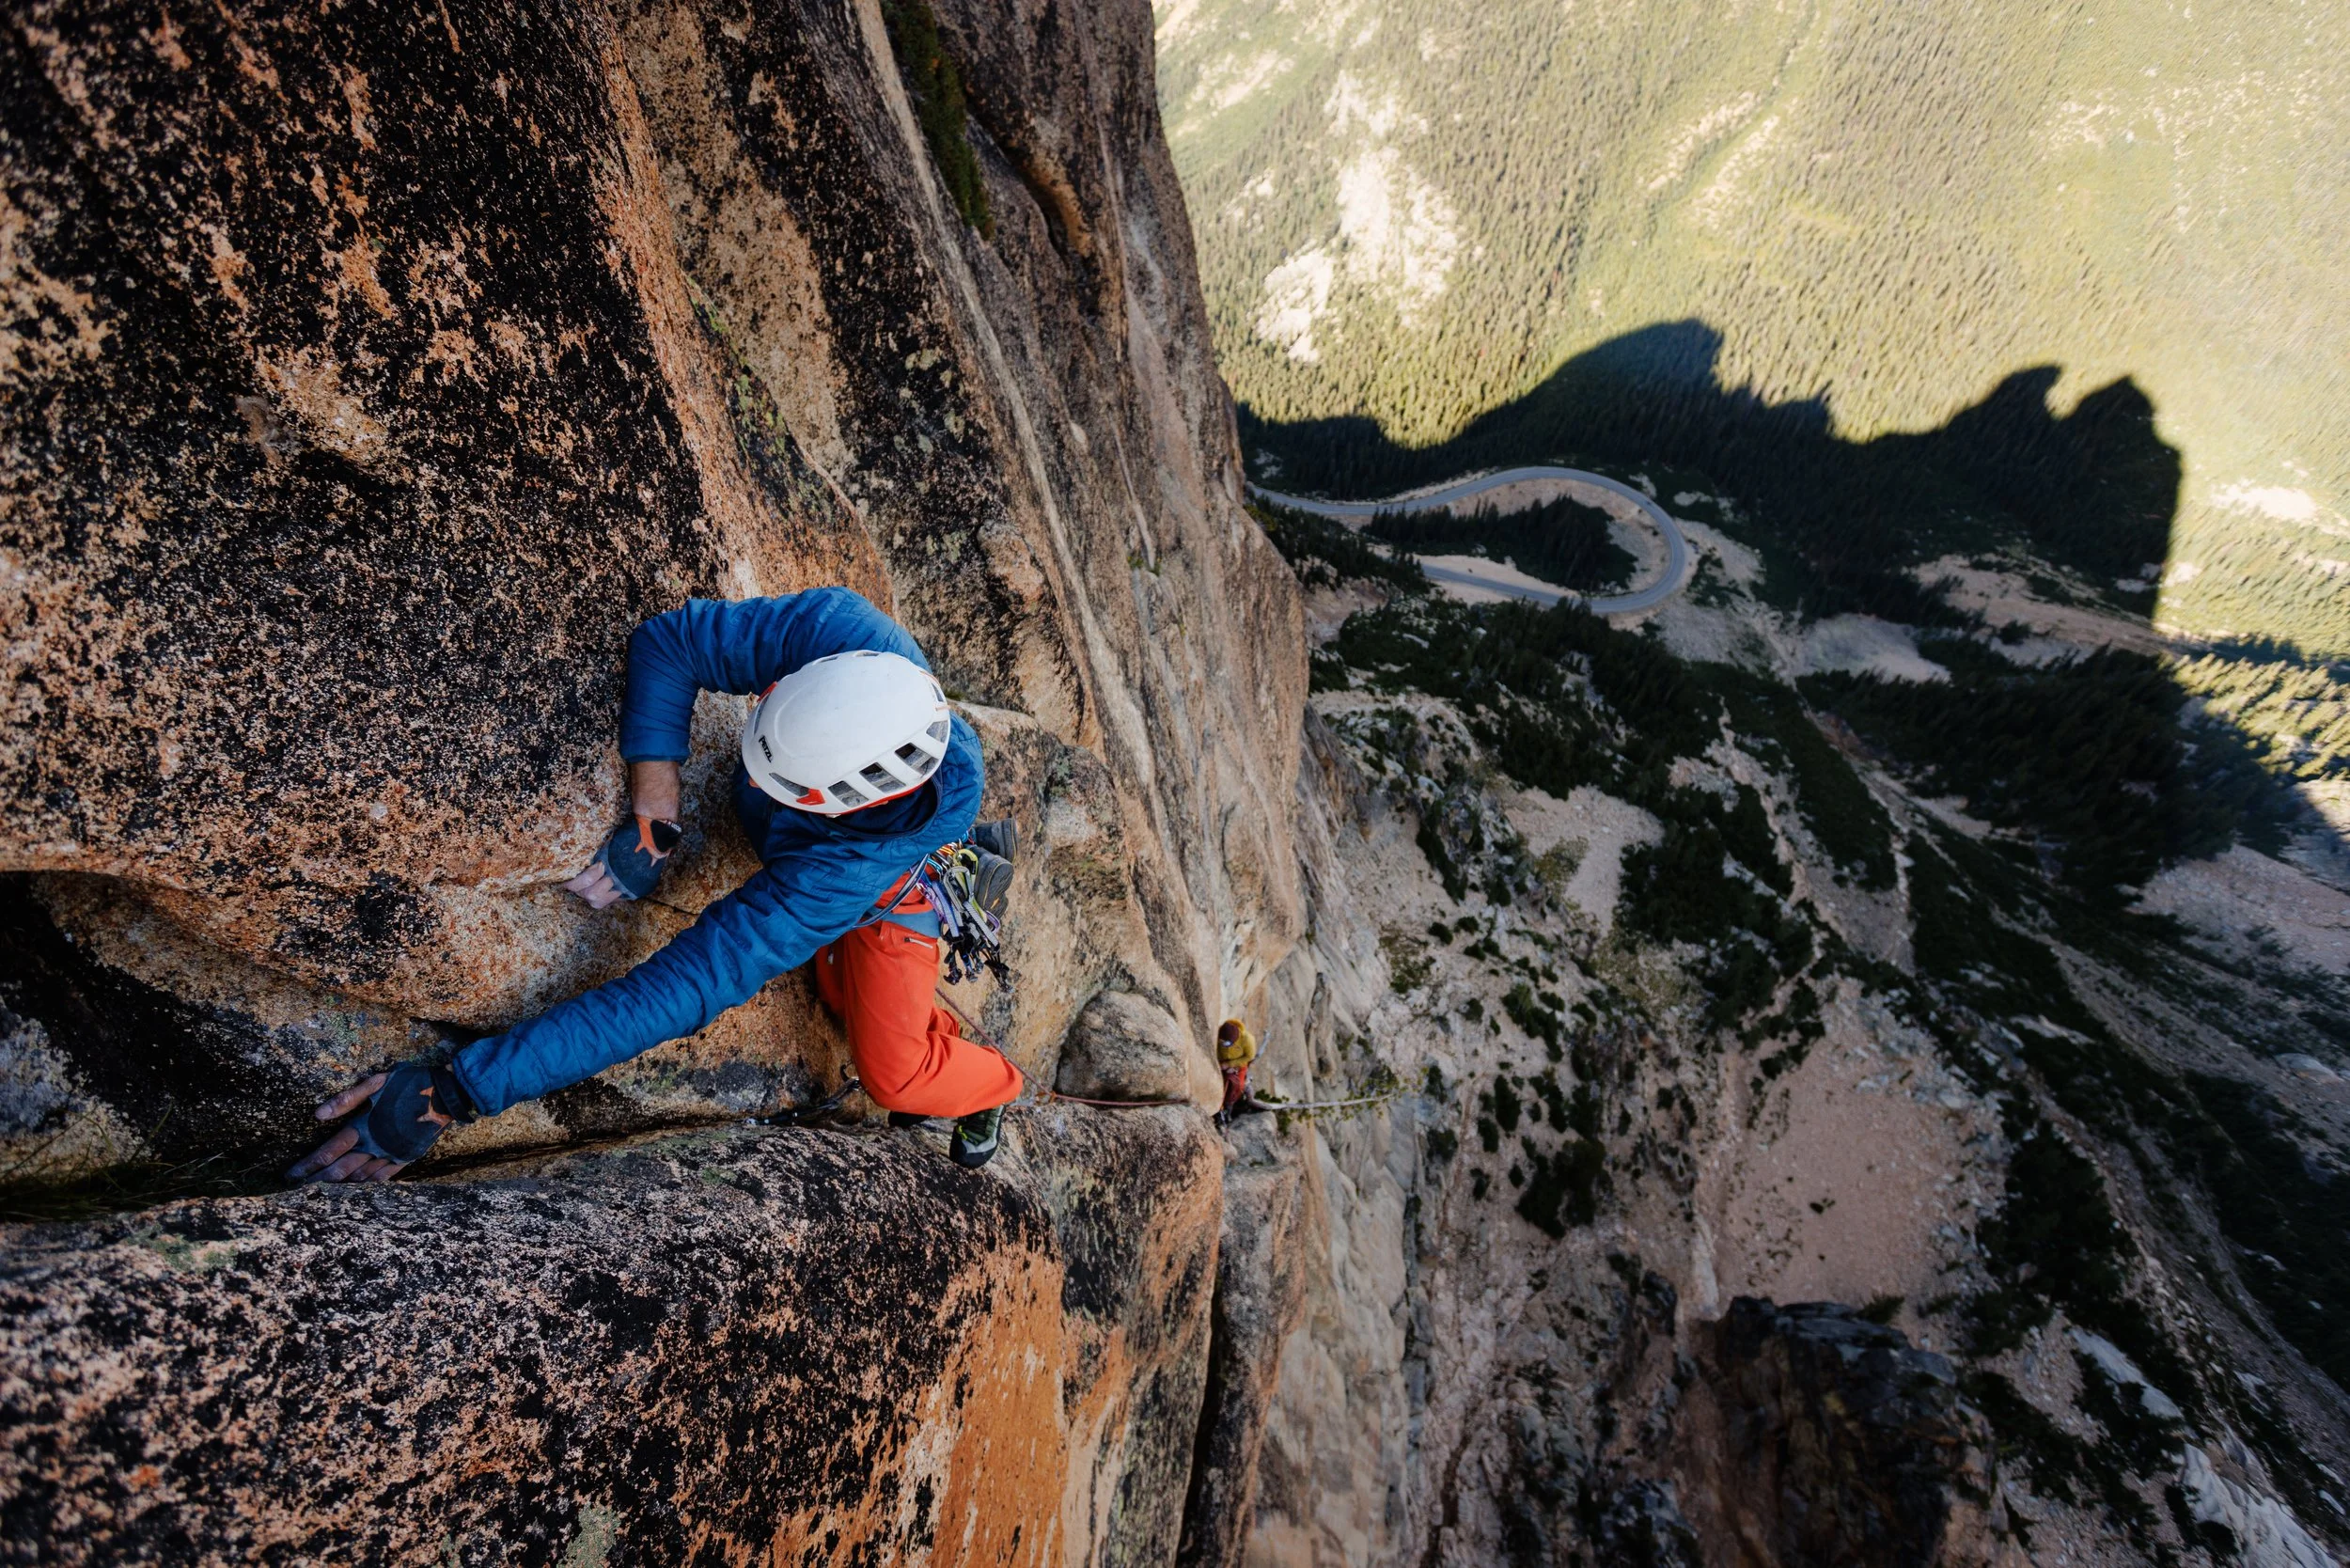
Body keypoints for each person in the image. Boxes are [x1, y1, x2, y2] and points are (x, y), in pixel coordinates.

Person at [289, 588, 1025, 1183]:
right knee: (834, 989)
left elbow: (672, 995)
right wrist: (655, 802)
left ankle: (991, 1086)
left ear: (848, 805)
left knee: (895, 1075)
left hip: (892, 897)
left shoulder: (833, 880)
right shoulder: (843, 633)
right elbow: (672, 641)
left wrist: (458, 1091)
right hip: (835, 853)